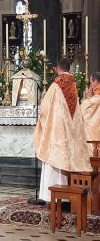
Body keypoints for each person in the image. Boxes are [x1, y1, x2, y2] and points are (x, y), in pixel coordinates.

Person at [34, 58, 91, 202]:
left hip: (56, 134)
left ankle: (50, 197)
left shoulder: (55, 85)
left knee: (53, 161)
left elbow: (45, 109)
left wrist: (42, 120)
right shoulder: (73, 86)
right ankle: (67, 197)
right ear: (69, 69)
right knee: (65, 160)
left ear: (57, 68)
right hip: (69, 134)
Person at [81, 72, 100, 141]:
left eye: (91, 82)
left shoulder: (97, 95)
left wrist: (89, 98)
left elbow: (85, 109)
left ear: (96, 81)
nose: (90, 85)